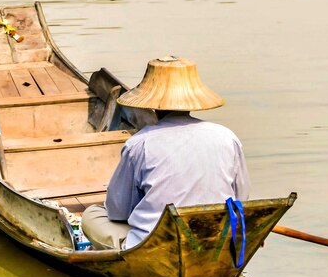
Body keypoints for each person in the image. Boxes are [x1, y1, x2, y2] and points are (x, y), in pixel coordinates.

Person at [81, 56, 250, 250]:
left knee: (92, 215)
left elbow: (117, 211)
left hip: (156, 243)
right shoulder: (227, 137)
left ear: (152, 104)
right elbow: (241, 197)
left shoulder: (139, 144)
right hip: (214, 237)